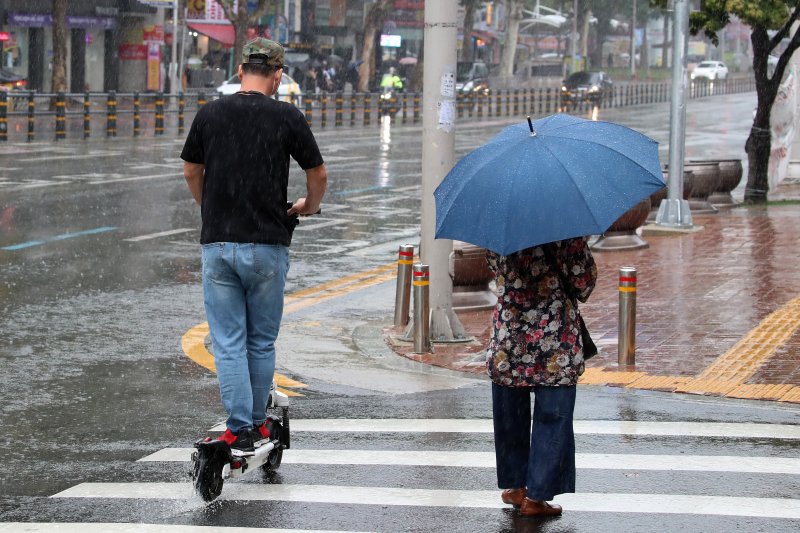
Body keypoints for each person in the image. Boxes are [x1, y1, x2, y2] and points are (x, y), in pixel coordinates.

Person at [181, 38, 328, 457]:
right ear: (278, 75)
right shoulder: (286, 117)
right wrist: (308, 206)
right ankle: (262, 425)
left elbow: (192, 169)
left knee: (227, 341)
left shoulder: (210, 114)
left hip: (219, 244)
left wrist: (210, 205)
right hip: (268, 244)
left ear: (241, 70)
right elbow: (317, 172)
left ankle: (239, 428)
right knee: (260, 342)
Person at [486, 237, 596, 517]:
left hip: (509, 337)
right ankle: (535, 498)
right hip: (554, 341)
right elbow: (583, 285)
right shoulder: (567, 234)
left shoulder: (501, 229)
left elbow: (494, 270)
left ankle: (516, 487)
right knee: (552, 418)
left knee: (510, 416)